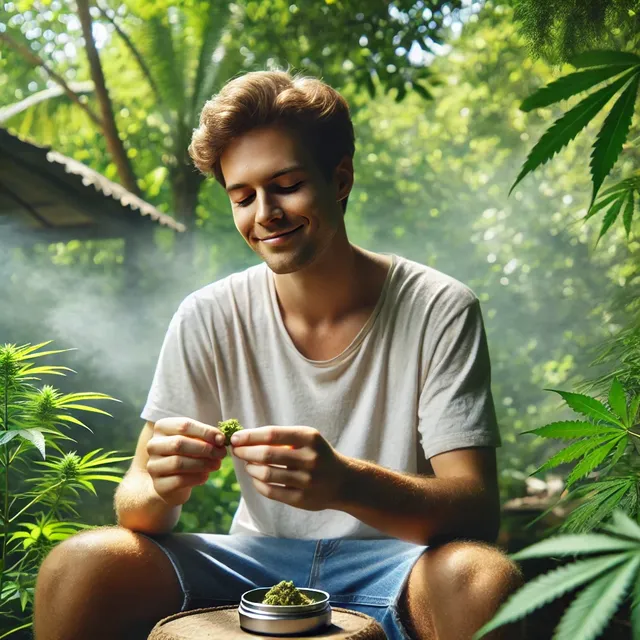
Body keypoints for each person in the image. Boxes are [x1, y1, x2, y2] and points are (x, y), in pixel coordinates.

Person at [34, 70, 523, 640]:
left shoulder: (439, 306)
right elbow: (137, 507)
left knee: (485, 581)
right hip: (250, 561)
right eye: (242, 197)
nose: (264, 213)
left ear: (339, 178)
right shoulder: (207, 315)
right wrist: (164, 485)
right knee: (78, 567)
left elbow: (475, 509)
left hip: (399, 564)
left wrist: (346, 483)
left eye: (286, 185)